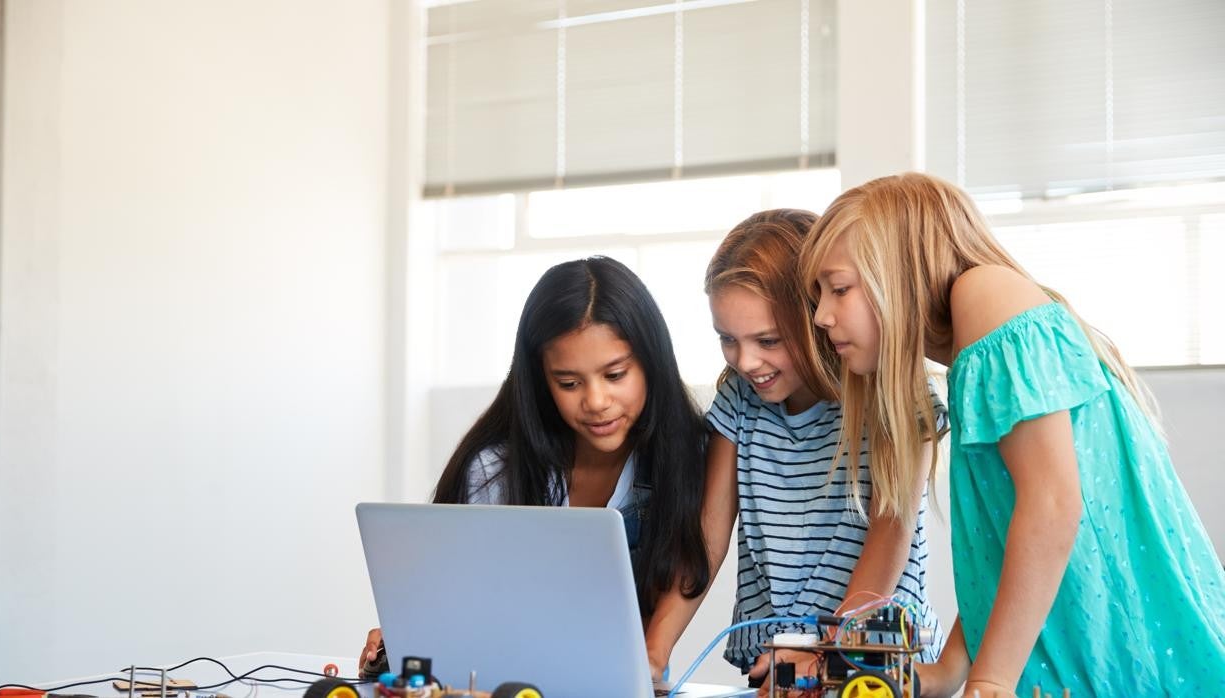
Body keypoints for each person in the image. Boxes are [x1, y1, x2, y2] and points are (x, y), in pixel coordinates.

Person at [801, 172, 1225, 697]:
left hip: (1145, 660)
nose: (822, 316)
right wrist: (950, 670)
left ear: (901, 269)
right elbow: (1005, 546)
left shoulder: (985, 294)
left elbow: (1052, 505)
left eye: (839, 288)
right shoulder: (974, 354)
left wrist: (991, 680)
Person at [360, 256, 711, 671]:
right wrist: (407, 633)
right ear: (541, 381)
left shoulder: (690, 456)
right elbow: (451, 595)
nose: (596, 401)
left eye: (615, 375)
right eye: (569, 383)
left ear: (652, 363)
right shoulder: (494, 469)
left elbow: (681, 586)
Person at [645, 209, 944, 689]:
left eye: (767, 340)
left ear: (818, 316)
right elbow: (707, 537)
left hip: (869, 662)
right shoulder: (739, 401)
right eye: (727, 339)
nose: (746, 361)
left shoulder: (893, 393)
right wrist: (654, 649)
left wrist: (829, 650)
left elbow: (892, 532)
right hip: (777, 662)